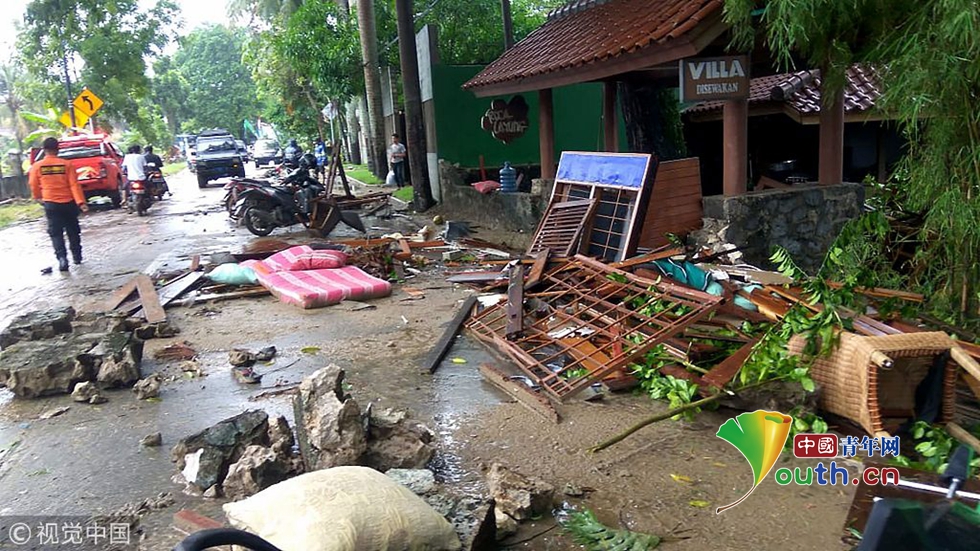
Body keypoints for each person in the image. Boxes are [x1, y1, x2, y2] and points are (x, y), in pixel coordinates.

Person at [29, 136, 89, 271]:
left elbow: (33, 184)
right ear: (58, 149)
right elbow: (74, 185)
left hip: (51, 203)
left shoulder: (37, 166)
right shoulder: (67, 164)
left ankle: (62, 259)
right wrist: (81, 202)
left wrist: (38, 197)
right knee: (73, 231)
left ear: (44, 150)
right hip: (69, 203)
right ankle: (77, 257)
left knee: (56, 233)